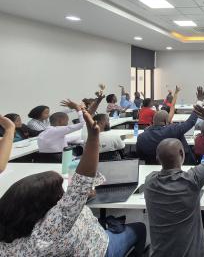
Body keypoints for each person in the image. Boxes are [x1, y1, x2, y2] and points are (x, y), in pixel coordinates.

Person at [0, 108, 146, 256]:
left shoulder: (7, 240)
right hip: (100, 249)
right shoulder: (58, 221)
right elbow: (82, 181)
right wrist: (94, 137)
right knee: (140, 228)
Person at [144, 104, 204, 257]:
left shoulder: (149, 181)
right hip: (194, 254)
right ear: (182, 153)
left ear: (158, 158)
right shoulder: (192, 178)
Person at [137, 86, 203, 164]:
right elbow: (190, 122)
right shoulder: (172, 130)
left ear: (153, 121)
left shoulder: (141, 137)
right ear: (166, 121)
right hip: (173, 165)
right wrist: (199, 101)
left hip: (151, 166)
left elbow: (140, 156)